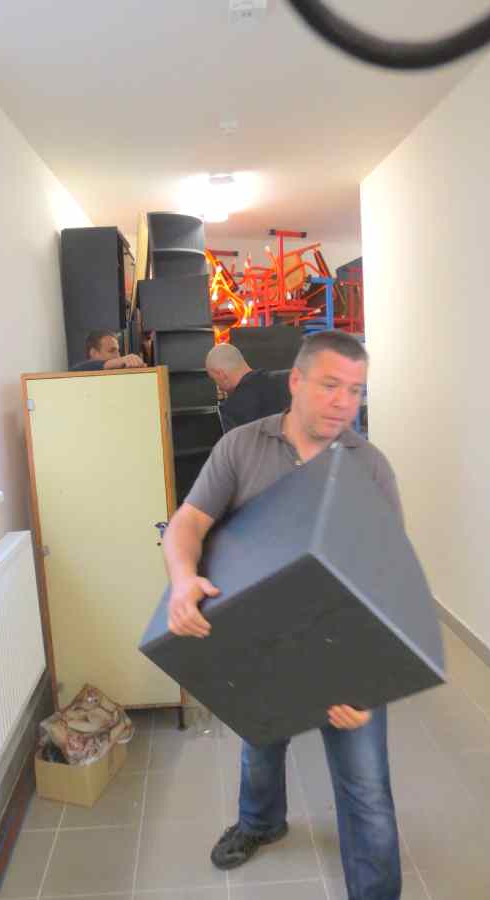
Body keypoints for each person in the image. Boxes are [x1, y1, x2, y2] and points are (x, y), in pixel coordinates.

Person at [163, 330, 403, 900]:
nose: (344, 402)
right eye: (330, 385)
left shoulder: (370, 466)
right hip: (263, 637)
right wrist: (183, 577)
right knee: (261, 741)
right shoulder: (241, 448)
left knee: (367, 790)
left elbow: (388, 575)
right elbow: (188, 522)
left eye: (355, 390)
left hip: (342, 642)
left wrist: (367, 673)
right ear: (295, 381)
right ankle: (261, 822)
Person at [205, 343, 290, 432]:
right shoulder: (288, 379)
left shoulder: (230, 410)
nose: (219, 387)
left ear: (221, 375)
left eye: (214, 379)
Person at [71, 330, 146, 371]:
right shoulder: (75, 376)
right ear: (94, 353)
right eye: (112, 351)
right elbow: (75, 370)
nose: (118, 356)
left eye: (118, 351)